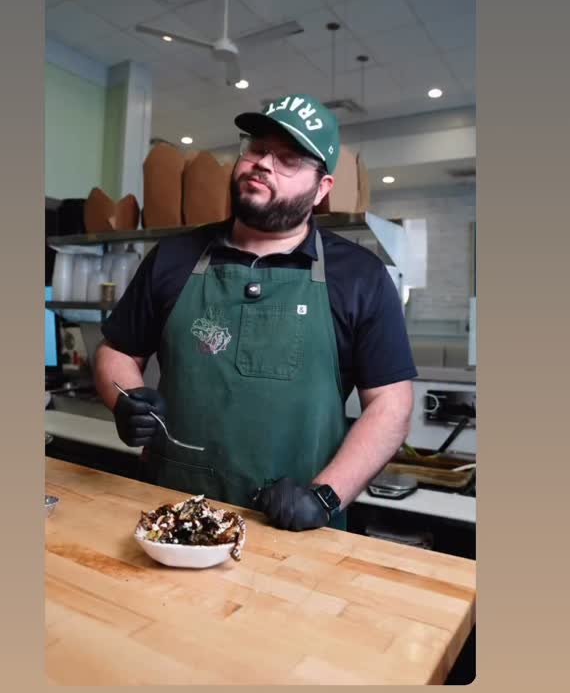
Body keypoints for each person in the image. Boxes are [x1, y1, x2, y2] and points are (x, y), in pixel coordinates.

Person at [95, 92, 417, 531]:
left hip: (294, 525)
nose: (263, 163)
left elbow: (391, 405)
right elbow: (117, 351)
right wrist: (126, 399)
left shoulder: (360, 276)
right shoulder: (173, 257)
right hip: (171, 513)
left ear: (322, 188)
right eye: (257, 148)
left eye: (288, 159)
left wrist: (325, 496)